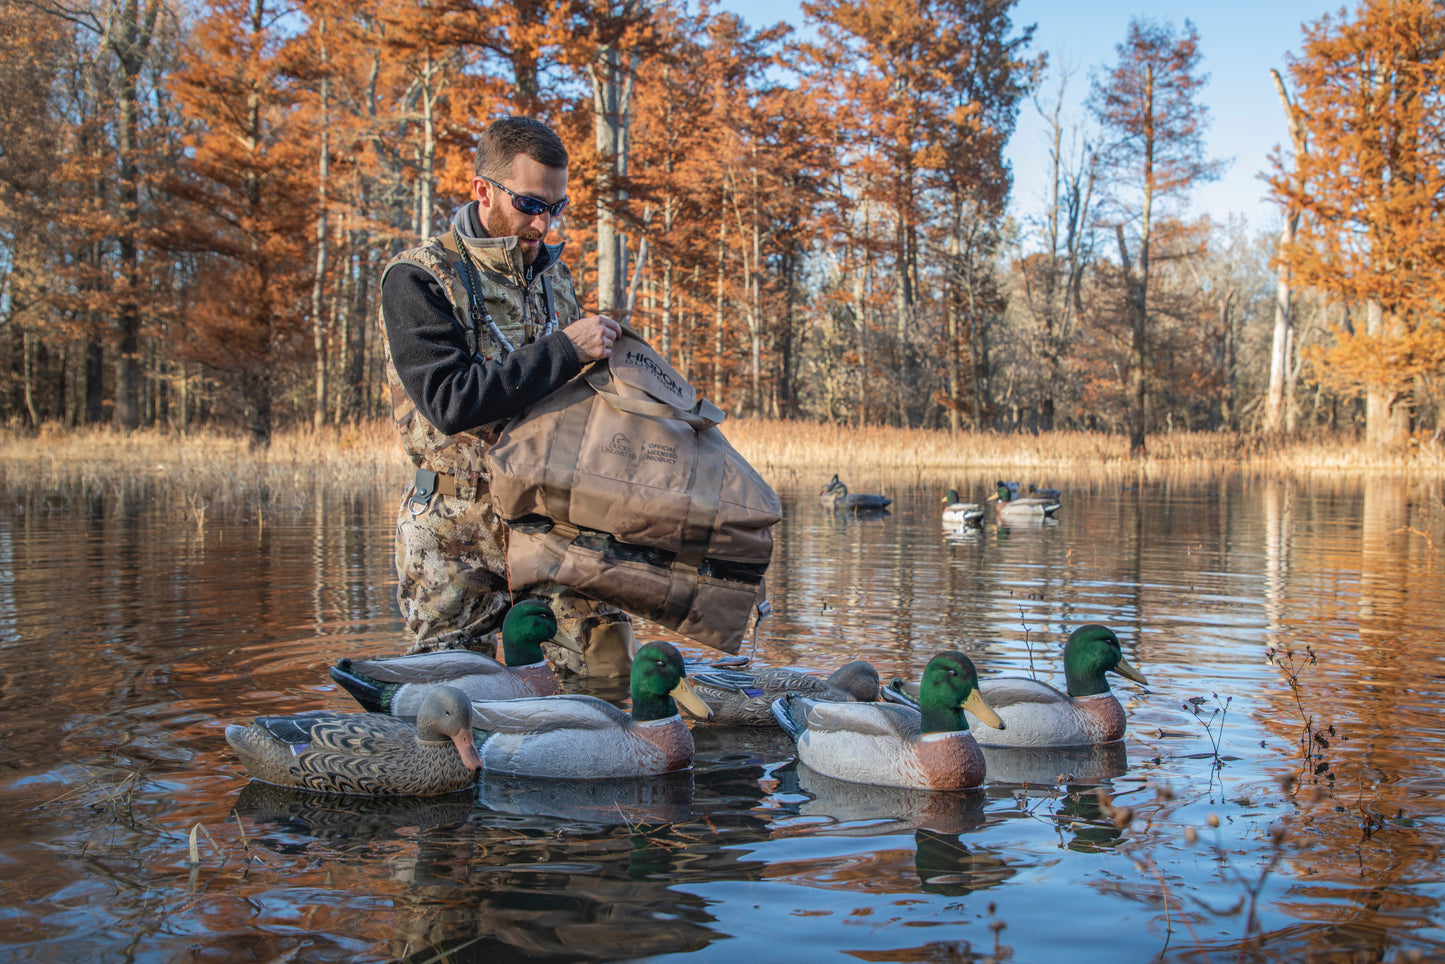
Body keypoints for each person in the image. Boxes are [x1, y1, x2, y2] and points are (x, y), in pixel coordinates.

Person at [378, 115, 636, 676]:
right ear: (483, 190)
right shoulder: (418, 278)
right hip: (454, 530)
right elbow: (450, 402)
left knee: (608, 677)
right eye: (529, 204)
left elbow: (573, 402)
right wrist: (566, 350)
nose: (543, 223)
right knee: (453, 709)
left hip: (552, 519)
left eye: (556, 207)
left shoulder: (554, 279)